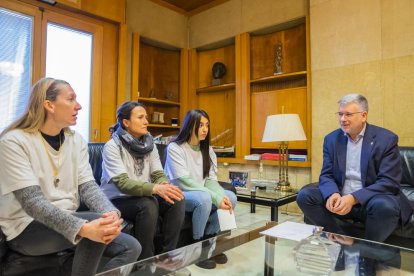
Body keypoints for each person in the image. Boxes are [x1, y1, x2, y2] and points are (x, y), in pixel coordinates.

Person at [0, 78, 141, 275]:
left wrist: (111, 213)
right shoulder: (14, 141)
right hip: (25, 227)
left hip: (69, 220)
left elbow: (88, 187)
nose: (79, 105)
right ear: (49, 105)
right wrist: (83, 228)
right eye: (71, 99)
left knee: (131, 247)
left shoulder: (76, 141)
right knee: (96, 227)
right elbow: (32, 202)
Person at [297, 93, 413, 242]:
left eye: (348, 114)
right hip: (341, 196)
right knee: (305, 196)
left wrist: (353, 198)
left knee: (385, 206)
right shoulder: (331, 139)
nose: (342, 119)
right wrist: (332, 194)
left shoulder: (386, 139)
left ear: (363, 116)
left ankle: (367, 254)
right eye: (340, 114)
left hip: (371, 199)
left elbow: (389, 182)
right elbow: (326, 175)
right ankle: (339, 239)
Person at [100, 101, 185, 260]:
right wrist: (156, 189)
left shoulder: (149, 144)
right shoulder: (112, 146)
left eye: (146, 117)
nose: (146, 121)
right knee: (148, 204)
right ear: (126, 122)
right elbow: (123, 184)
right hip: (116, 198)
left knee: (177, 198)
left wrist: (165, 186)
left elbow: (158, 174)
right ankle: (144, 263)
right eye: (140, 117)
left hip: (142, 195)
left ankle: (166, 256)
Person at [163, 109, 237, 269]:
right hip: (179, 193)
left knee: (231, 197)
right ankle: (196, 248)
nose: (205, 129)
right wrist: (215, 197)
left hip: (202, 191)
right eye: (200, 125)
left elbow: (210, 180)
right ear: (190, 127)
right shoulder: (175, 148)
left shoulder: (208, 150)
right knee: (205, 199)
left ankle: (209, 244)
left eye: (207, 125)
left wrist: (221, 196)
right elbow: (184, 182)